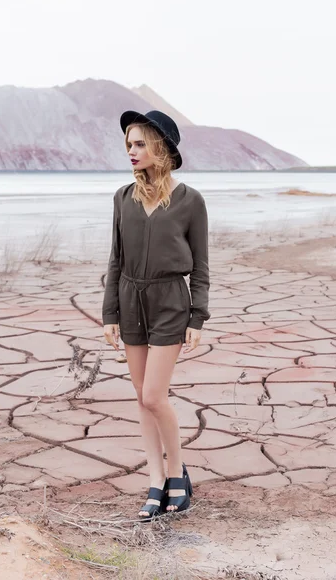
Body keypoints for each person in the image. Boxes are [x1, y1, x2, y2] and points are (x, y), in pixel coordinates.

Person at [102, 110, 210, 520]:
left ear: (160, 147)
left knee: (153, 395)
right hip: (130, 300)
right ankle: (156, 480)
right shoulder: (121, 197)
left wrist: (197, 316)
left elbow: (200, 265)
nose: (131, 151)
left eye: (140, 143)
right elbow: (116, 260)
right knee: (142, 401)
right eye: (129, 144)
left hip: (170, 302)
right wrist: (109, 312)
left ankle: (177, 472)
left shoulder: (190, 201)